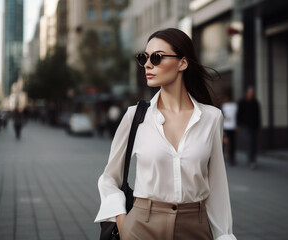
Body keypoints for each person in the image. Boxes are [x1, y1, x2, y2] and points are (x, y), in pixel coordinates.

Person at [94, 28, 236, 240]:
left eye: (157, 57)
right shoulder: (135, 116)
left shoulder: (211, 118)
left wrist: (224, 236)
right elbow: (109, 179)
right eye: (144, 57)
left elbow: (217, 190)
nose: (148, 64)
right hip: (142, 227)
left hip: (194, 228)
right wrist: (124, 225)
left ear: (183, 63)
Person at [236, 86, 261, 169]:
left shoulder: (255, 102)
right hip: (245, 125)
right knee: (249, 141)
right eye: (250, 93)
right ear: (247, 93)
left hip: (254, 125)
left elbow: (258, 114)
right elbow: (238, 114)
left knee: (254, 142)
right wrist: (238, 124)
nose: (251, 94)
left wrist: (259, 125)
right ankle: (251, 160)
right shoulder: (242, 102)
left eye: (252, 93)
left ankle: (253, 158)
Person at [221, 92, 238, 166]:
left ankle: (231, 157)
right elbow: (221, 115)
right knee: (224, 143)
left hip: (233, 127)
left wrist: (238, 125)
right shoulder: (224, 106)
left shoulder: (235, 106)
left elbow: (238, 115)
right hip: (225, 127)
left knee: (232, 143)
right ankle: (223, 157)